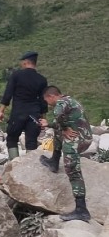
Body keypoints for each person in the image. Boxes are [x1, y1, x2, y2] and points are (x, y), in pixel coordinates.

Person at [39, 86, 94, 221]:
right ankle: (54, 161)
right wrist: (51, 125)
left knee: (73, 170)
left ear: (51, 96)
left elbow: (58, 115)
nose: (48, 104)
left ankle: (82, 210)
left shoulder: (61, 103)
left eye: (47, 100)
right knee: (58, 133)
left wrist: (64, 128)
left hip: (78, 138)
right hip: (82, 135)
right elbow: (61, 121)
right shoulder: (69, 100)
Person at [0, 51, 48, 160]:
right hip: (34, 115)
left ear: (25, 62)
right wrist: (43, 118)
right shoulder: (42, 80)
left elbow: (8, 94)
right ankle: (30, 166)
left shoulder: (16, 75)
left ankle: (14, 163)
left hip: (18, 113)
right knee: (31, 141)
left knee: (12, 138)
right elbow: (43, 100)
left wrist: (1, 111)